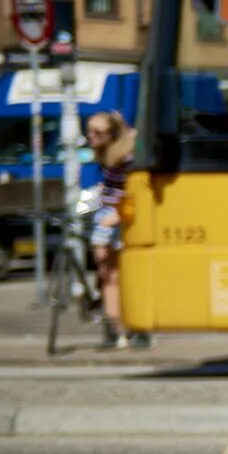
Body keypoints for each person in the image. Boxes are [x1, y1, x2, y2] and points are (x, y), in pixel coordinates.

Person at [80, 111, 149, 350]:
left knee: (120, 274)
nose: (91, 136)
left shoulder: (127, 154)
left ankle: (132, 326)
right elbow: (114, 183)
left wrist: (119, 215)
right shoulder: (106, 153)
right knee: (106, 270)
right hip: (106, 212)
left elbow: (136, 189)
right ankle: (114, 326)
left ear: (112, 134)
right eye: (89, 131)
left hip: (119, 215)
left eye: (98, 132)